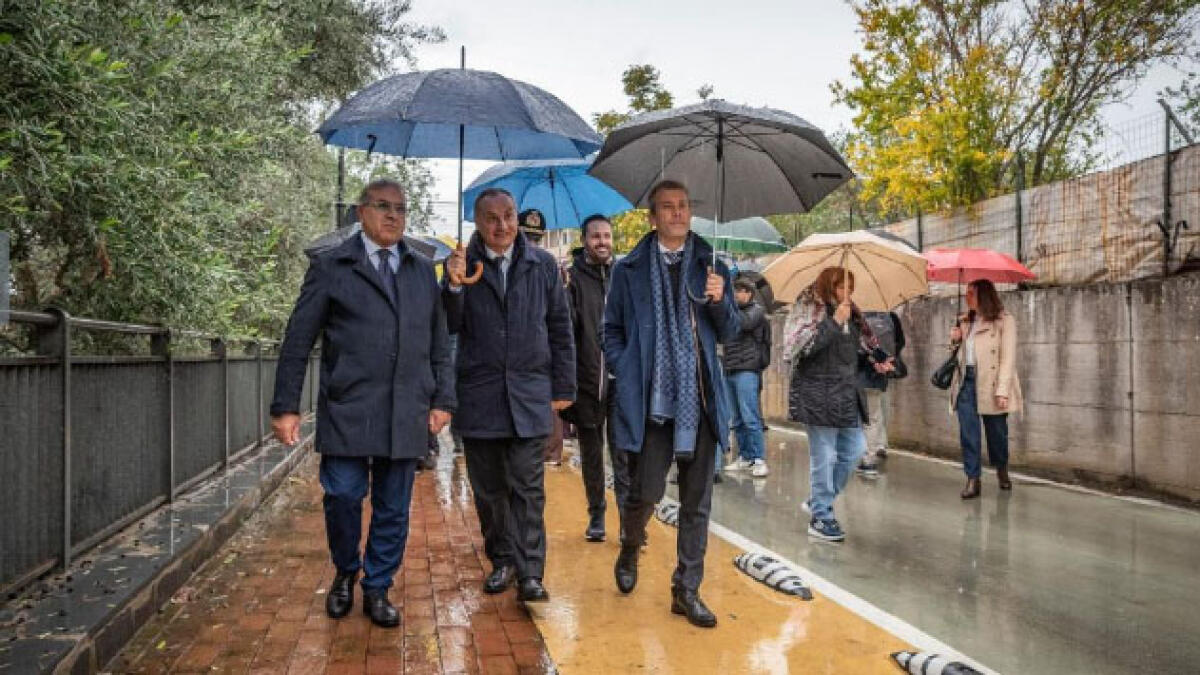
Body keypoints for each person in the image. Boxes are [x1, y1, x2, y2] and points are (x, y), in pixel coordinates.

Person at [270, 179, 455, 628]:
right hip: (348, 405)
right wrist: (285, 406)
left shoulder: (420, 269)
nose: (393, 216)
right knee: (343, 496)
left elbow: (439, 340)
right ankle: (345, 571)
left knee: (393, 506)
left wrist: (442, 398)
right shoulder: (333, 266)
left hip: (406, 407)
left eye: (401, 209)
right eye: (383, 207)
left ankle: (377, 587)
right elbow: (298, 339)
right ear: (361, 212)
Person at [604, 179, 739, 628]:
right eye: (668, 207)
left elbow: (731, 332)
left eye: (683, 206)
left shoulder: (714, 263)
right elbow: (612, 331)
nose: (678, 213)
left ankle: (687, 589)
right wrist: (626, 370)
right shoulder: (629, 269)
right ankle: (630, 542)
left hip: (699, 400)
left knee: (697, 502)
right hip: (651, 402)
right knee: (645, 492)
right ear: (653, 216)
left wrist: (720, 303)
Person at [444, 188, 575, 603]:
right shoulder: (463, 266)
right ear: (478, 224)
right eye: (491, 218)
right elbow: (447, 326)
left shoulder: (543, 265)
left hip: (529, 393)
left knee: (528, 487)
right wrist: (454, 287)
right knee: (489, 490)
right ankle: (502, 559)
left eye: (509, 216)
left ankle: (531, 571)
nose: (502, 226)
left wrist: (564, 388)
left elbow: (560, 326)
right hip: (480, 394)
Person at [783, 267, 892, 543]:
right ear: (828, 286)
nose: (847, 293)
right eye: (841, 287)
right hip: (816, 390)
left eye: (850, 287)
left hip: (845, 393)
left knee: (855, 451)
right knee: (824, 456)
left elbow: (860, 345)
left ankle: (820, 499)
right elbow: (797, 348)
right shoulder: (808, 306)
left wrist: (876, 357)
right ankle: (821, 516)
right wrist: (832, 322)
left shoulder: (852, 312)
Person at [561, 214, 628, 542]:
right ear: (584, 240)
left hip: (622, 382)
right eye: (595, 237)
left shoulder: (625, 276)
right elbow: (566, 332)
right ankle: (597, 515)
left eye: (606, 235)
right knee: (592, 454)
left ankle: (629, 521)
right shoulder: (572, 280)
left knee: (624, 454)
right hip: (587, 381)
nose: (602, 242)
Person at [949, 280, 1023, 499]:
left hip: (991, 383)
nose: (967, 297)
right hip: (966, 382)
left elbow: (1008, 358)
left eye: (971, 293)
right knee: (968, 434)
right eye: (966, 292)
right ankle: (973, 479)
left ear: (984, 295)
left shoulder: (1004, 320)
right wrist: (954, 341)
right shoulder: (964, 321)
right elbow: (956, 355)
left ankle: (1001, 468)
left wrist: (1003, 390)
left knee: (997, 434)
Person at [722, 278, 771, 478]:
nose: (736, 294)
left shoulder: (756, 311)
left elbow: (744, 323)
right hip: (730, 368)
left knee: (750, 417)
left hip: (747, 370)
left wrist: (727, 308)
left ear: (749, 294)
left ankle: (759, 459)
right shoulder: (732, 312)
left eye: (740, 291)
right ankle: (744, 456)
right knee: (737, 419)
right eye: (734, 291)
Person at [855, 310, 907, 477]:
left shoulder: (857, 317)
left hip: (859, 374)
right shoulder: (891, 317)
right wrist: (885, 360)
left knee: (856, 420)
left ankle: (860, 458)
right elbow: (900, 342)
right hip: (880, 374)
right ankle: (870, 457)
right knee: (874, 417)